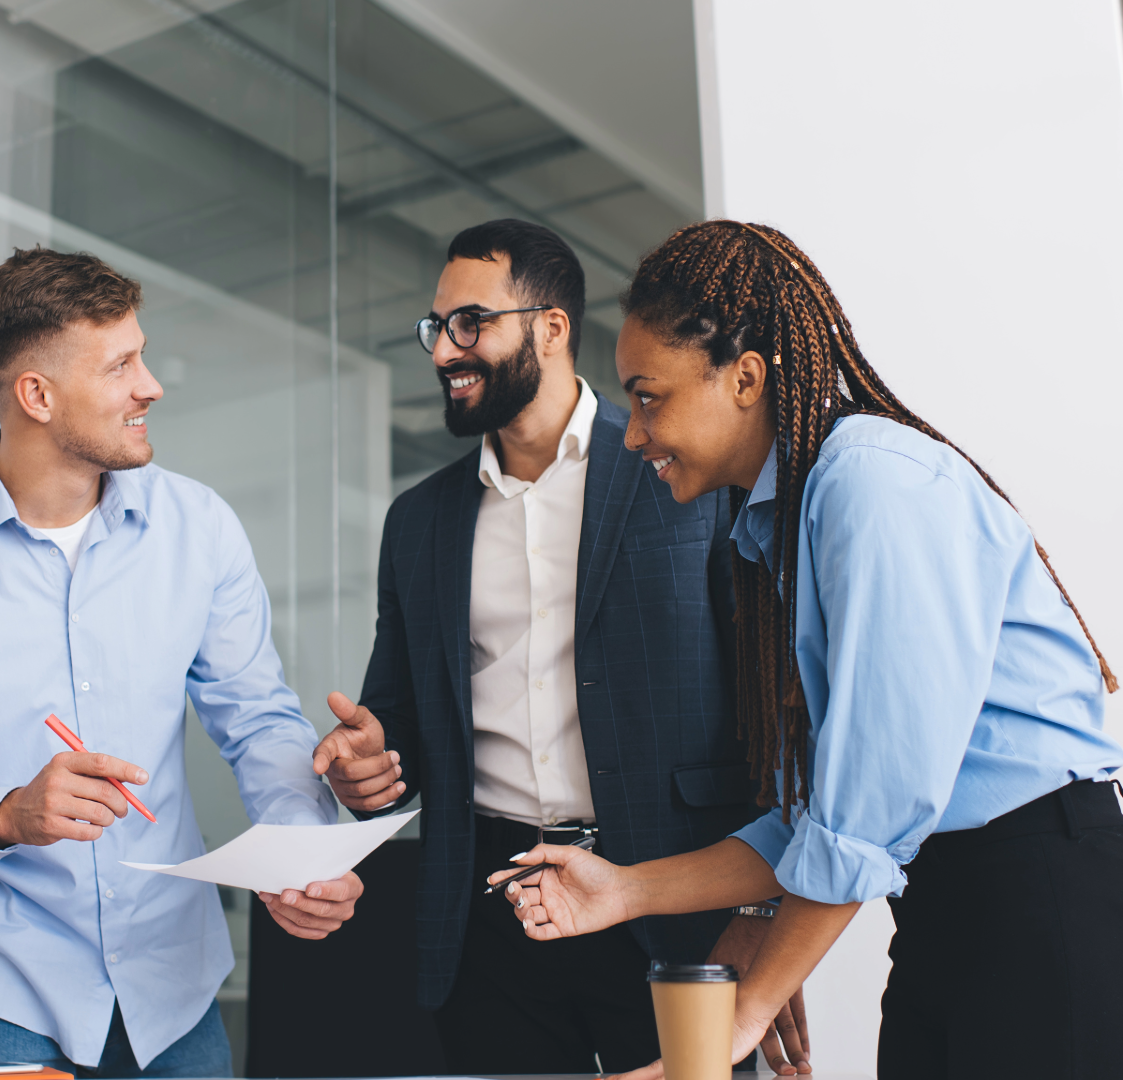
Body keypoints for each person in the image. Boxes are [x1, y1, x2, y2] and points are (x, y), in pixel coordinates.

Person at [499, 220, 1123, 1080]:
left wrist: (735, 1024)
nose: (632, 436)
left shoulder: (868, 482)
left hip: (1046, 906)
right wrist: (625, 888)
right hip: (955, 914)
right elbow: (818, 814)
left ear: (745, 379)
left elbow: (870, 808)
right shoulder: (784, 521)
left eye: (649, 396)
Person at [0, 249, 359, 1079]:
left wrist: (305, 852)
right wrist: (5, 813)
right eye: (121, 366)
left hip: (172, 988)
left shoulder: (199, 528)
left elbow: (258, 721)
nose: (151, 385)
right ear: (36, 395)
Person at [311, 220, 811, 1076]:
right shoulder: (420, 521)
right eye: (438, 328)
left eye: (471, 322)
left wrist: (765, 913)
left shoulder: (686, 463)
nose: (445, 350)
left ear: (551, 328)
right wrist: (369, 764)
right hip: (491, 918)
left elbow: (771, 706)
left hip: (674, 903)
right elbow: (397, 721)